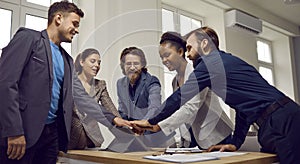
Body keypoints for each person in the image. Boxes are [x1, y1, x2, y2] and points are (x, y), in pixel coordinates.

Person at [132, 27, 300, 163]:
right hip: (272, 124)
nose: (188, 54)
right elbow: (243, 109)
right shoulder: (223, 64)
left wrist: (150, 121)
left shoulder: (210, 64)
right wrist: (235, 144)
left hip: (283, 120)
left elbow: (181, 97)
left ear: (204, 44)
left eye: (189, 48)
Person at [0, 1, 130, 163]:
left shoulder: (67, 60)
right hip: (22, 134)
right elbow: (5, 83)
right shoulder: (29, 38)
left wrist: (112, 118)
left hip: (51, 138)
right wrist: (14, 131)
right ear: (59, 18)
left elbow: (82, 98)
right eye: (74, 24)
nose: (76, 30)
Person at [150, 31, 233, 149]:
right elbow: (178, 109)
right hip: (196, 138)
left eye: (167, 55)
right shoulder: (174, 81)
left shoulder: (197, 73)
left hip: (217, 135)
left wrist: (160, 126)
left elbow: (190, 108)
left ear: (180, 52)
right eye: (162, 57)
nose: (164, 60)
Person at [68, 48, 121, 149]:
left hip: (92, 140)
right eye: (93, 61)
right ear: (82, 62)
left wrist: (126, 127)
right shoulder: (70, 82)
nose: (97, 65)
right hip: (70, 138)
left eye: (99, 63)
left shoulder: (100, 85)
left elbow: (110, 109)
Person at [117, 47, 162, 121]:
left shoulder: (152, 81)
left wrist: (141, 125)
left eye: (136, 63)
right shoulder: (120, 83)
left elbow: (154, 108)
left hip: (150, 128)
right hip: (131, 129)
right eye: (128, 64)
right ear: (123, 65)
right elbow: (122, 111)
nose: (132, 67)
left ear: (142, 65)